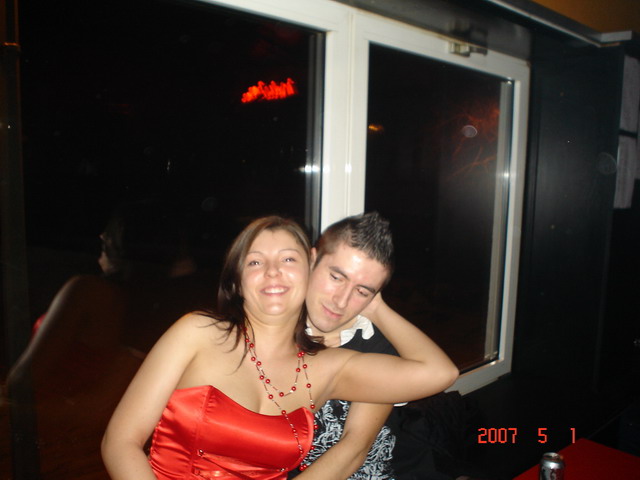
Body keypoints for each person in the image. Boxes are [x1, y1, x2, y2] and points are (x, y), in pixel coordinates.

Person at [101, 215, 459, 480]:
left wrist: (374, 302)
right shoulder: (197, 333)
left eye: (288, 259)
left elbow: (440, 373)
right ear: (238, 279)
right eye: (255, 262)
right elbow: (120, 442)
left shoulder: (330, 366)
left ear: (308, 267)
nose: (272, 271)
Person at [290, 212, 410, 479]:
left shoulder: (379, 348)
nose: (341, 301)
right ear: (312, 260)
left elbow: (353, 450)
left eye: (362, 291)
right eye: (336, 277)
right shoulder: (274, 324)